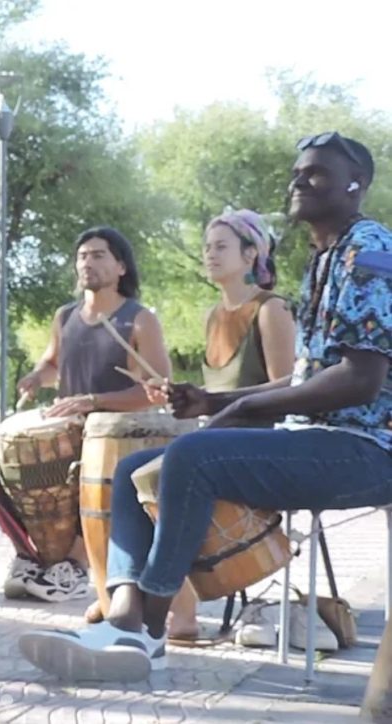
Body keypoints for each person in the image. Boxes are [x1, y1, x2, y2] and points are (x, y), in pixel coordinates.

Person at [19, 132, 392, 682]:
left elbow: (359, 381)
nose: (297, 180)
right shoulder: (324, 259)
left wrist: (240, 412)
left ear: (355, 185)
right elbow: (304, 377)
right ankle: (125, 616)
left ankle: (147, 625)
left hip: (364, 450)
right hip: (314, 440)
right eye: (296, 171)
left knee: (192, 457)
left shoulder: (369, 250)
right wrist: (215, 400)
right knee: (130, 470)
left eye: (315, 173)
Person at [0, 228, 172, 603]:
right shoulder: (65, 316)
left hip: (115, 430)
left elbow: (155, 389)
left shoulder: (140, 319)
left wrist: (92, 401)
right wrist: (37, 376)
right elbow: (52, 363)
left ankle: (77, 564)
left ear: (121, 267)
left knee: (91, 456)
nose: (87, 263)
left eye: (98, 255)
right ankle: (28, 554)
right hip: (69, 422)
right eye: (82, 256)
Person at [147, 209, 296, 643]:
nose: (209, 254)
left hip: (259, 443)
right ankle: (160, 606)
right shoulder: (214, 315)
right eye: (207, 247)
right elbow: (214, 397)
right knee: (133, 474)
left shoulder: (271, 309)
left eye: (221, 246)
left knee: (169, 470)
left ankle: (171, 612)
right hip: (214, 441)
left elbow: (288, 387)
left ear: (252, 254)